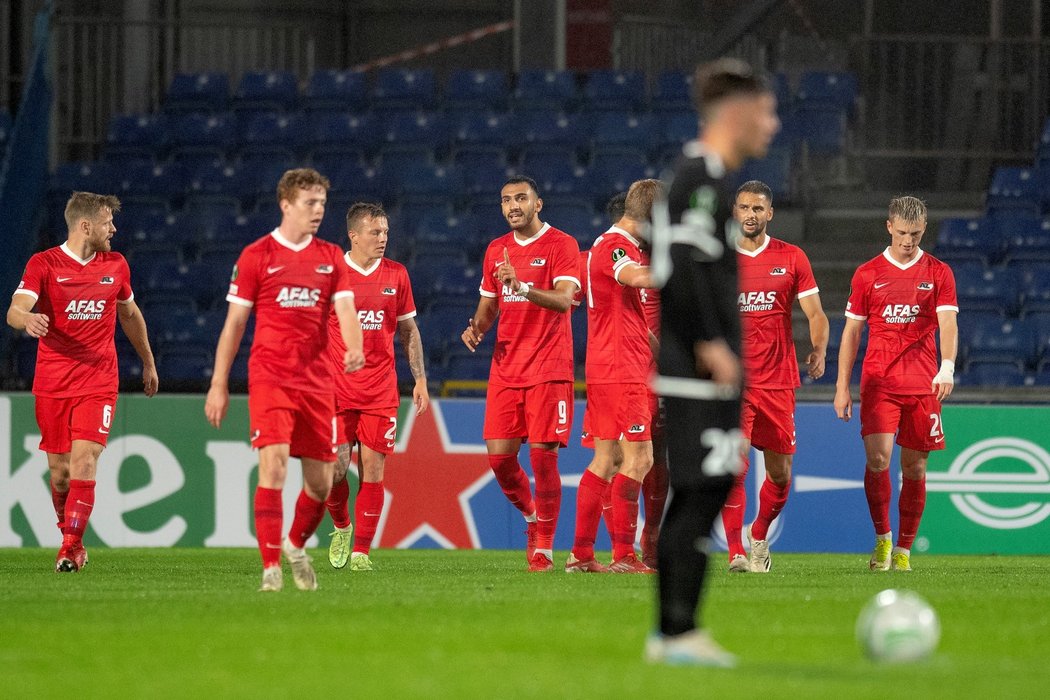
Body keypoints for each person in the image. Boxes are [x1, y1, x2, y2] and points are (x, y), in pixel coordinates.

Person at [645, 58, 780, 667]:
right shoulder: (700, 177)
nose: (773, 125)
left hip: (709, 362)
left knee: (714, 482)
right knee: (699, 488)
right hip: (695, 363)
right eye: (767, 111)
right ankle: (675, 633)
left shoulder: (714, 177)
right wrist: (708, 342)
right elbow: (679, 263)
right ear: (737, 112)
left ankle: (679, 631)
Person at [205, 168, 365, 592]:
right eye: (310, 203)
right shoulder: (257, 256)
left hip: (317, 382)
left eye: (322, 204)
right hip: (270, 377)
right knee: (272, 467)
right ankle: (270, 569)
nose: (318, 211)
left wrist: (355, 346)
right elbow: (235, 324)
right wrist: (219, 383)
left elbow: (347, 311)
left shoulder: (330, 257)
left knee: (323, 481)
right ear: (286, 204)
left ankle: (296, 544)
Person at [7, 192, 158, 572]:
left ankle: (69, 547)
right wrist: (27, 320)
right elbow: (15, 308)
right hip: (53, 382)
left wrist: (148, 361)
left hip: (98, 379)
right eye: (108, 222)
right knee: (60, 473)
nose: (114, 229)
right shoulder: (44, 264)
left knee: (84, 459)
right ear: (85, 226)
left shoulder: (116, 265)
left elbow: (130, 314)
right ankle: (70, 538)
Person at [461, 175, 581, 573]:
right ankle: (532, 517)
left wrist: (524, 287)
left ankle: (544, 548)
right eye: (506, 200)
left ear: (538, 203)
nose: (512, 206)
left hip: (549, 366)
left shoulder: (561, 245)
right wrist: (477, 327)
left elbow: (565, 300)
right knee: (499, 460)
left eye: (520, 198)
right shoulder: (496, 249)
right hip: (507, 367)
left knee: (543, 459)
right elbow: (490, 305)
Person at [834, 195, 958, 573]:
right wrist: (842, 385)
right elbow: (852, 332)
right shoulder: (868, 274)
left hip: (923, 385)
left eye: (916, 234)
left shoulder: (938, 272)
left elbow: (949, 323)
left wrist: (947, 366)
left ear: (924, 230)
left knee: (916, 469)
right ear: (889, 227)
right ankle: (883, 538)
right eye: (903, 233)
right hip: (879, 383)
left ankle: (904, 550)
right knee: (878, 460)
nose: (908, 241)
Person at [721, 180, 828, 573]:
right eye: (744, 207)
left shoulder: (792, 257)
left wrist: (818, 349)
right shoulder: (719, 258)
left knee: (780, 476)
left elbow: (815, 314)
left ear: (769, 214)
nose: (750, 215)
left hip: (779, 381)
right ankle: (735, 551)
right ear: (735, 211)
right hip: (733, 383)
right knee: (735, 463)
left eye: (758, 209)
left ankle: (759, 534)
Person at [324, 202, 429, 572]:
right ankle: (341, 526)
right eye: (375, 232)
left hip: (380, 390)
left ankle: (361, 553)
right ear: (353, 235)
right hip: (336, 390)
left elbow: (408, 330)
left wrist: (419, 379)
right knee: (334, 471)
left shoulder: (397, 275)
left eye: (385, 232)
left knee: (373, 469)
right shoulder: (332, 274)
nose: (383, 238)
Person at [567, 178, 663, 574]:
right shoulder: (615, 246)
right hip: (622, 369)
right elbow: (637, 278)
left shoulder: (607, 246)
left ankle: (581, 554)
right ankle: (624, 555)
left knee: (606, 460)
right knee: (641, 458)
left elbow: (632, 317)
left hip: (611, 365)